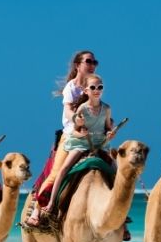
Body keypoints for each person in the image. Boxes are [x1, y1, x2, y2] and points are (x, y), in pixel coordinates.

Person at [25, 51, 99, 226]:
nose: (92, 65)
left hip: (93, 136)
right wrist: (76, 118)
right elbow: (67, 110)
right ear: (77, 65)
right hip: (72, 135)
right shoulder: (71, 88)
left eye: (94, 62)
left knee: (113, 168)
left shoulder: (94, 87)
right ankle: (37, 210)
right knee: (56, 173)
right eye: (88, 61)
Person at [38, 73, 115, 217]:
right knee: (63, 169)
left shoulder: (107, 109)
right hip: (81, 144)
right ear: (86, 91)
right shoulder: (82, 109)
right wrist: (82, 135)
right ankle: (51, 203)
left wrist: (110, 134)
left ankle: (119, 211)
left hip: (100, 144)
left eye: (100, 87)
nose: (97, 90)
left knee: (117, 171)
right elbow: (75, 132)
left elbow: (107, 127)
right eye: (93, 87)